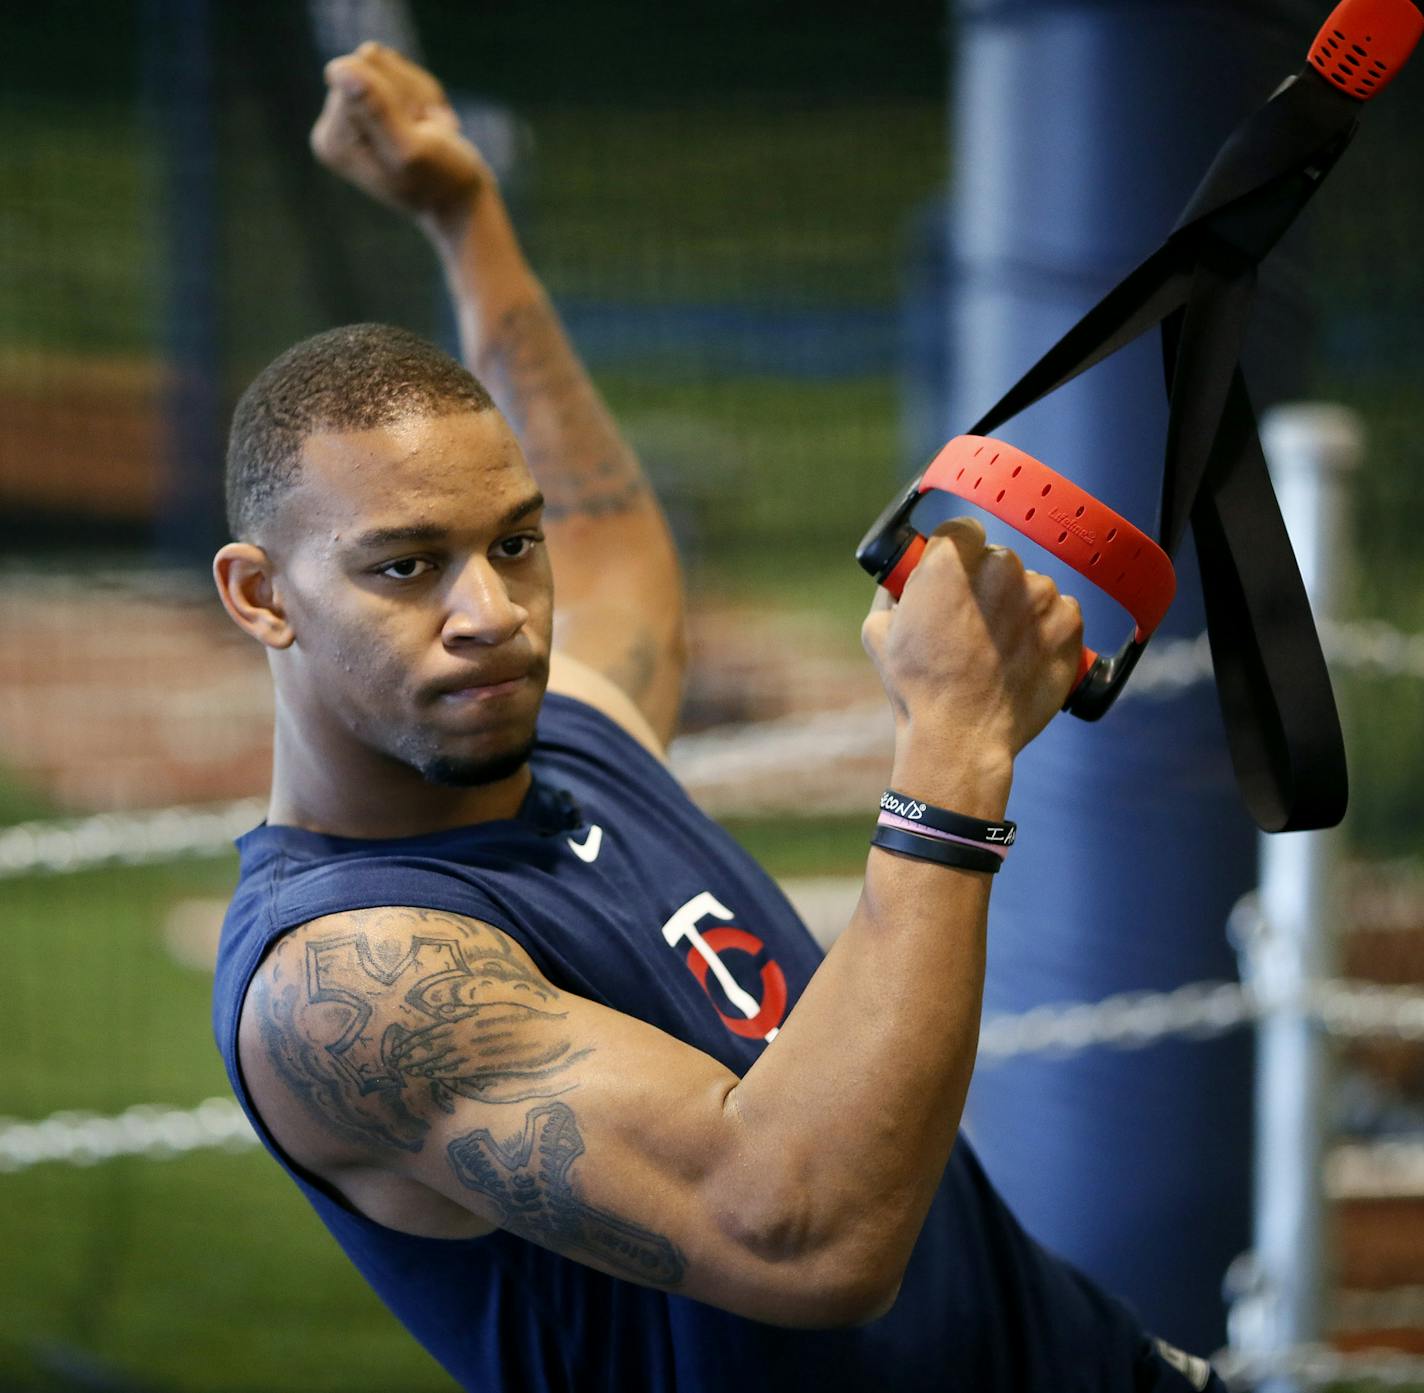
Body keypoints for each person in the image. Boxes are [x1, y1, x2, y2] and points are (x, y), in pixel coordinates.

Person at [211, 41, 1226, 1393]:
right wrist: (954, 747)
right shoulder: (344, 986)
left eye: (514, 545)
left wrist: (468, 217)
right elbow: (806, 1234)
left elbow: (618, 545)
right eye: (405, 565)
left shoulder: (561, 727)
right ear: (260, 594)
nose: (491, 611)